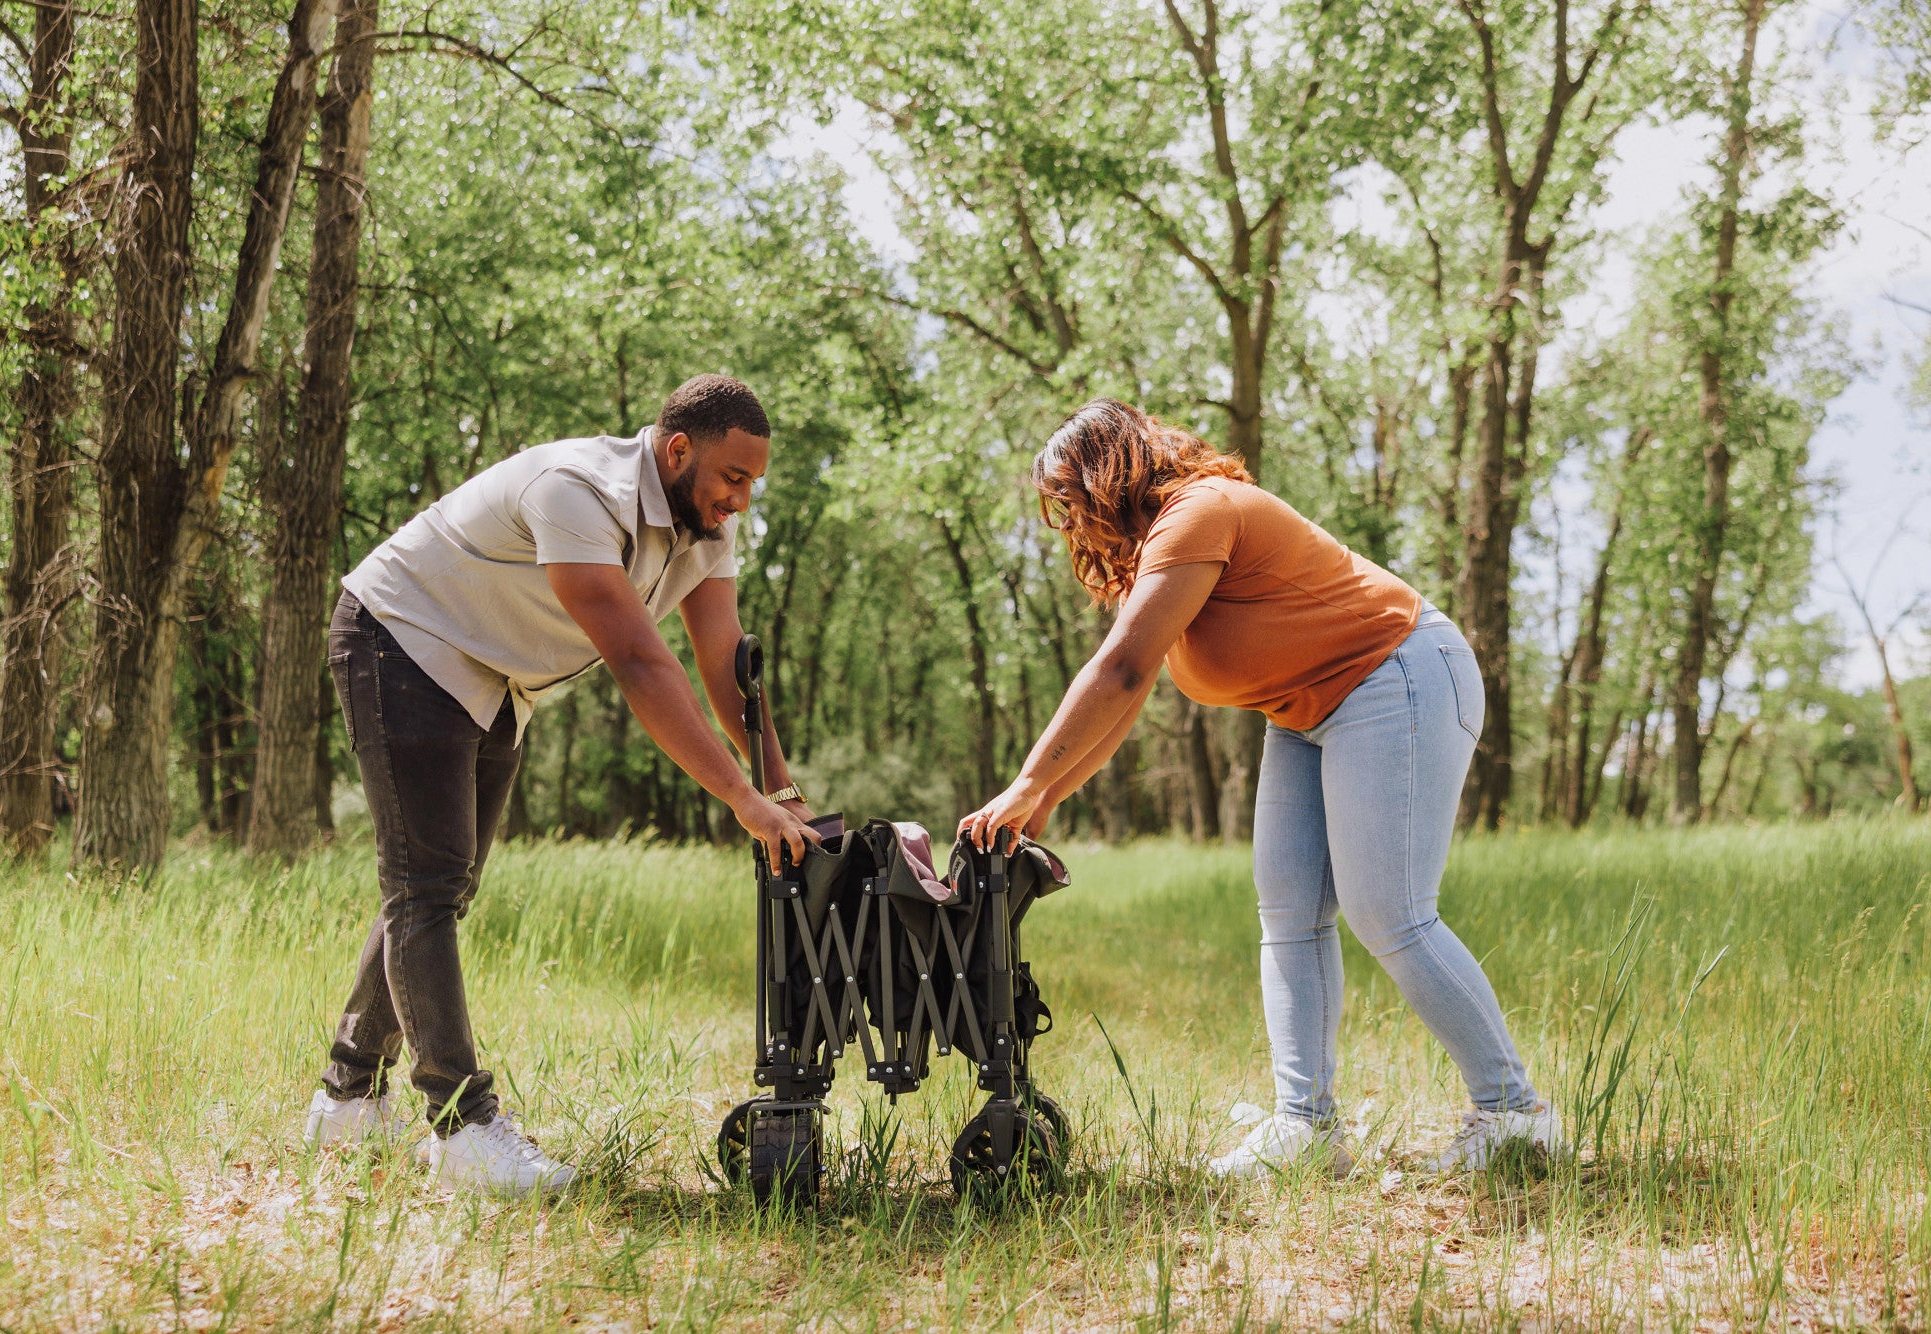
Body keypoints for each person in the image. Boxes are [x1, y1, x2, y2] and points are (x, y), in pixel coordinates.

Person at [958, 399, 1562, 1176]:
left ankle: (1515, 1114)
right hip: (1305, 709)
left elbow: (1121, 669)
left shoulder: (1199, 513)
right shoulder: (1162, 554)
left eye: (1069, 500)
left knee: (1391, 912)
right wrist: (1047, 795)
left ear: (1110, 475)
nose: (1067, 523)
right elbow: (1129, 696)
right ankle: (1308, 1130)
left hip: (1397, 673)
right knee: (1289, 911)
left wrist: (1026, 781)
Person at [302, 374, 819, 1196]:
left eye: (754, 483)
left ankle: (346, 1100)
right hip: (403, 637)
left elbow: (722, 663)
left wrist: (783, 794)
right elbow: (641, 661)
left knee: (440, 888)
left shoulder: (705, 528)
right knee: (425, 886)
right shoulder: (578, 491)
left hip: (498, 674)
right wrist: (739, 801)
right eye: (733, 477)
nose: (742, 501)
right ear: (678, 449)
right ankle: (459, 1128)